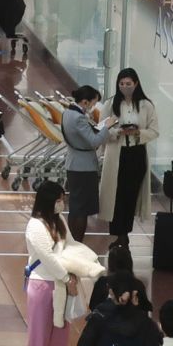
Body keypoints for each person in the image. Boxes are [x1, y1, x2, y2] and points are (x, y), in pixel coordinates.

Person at [24, 180, 87, 346]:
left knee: (61, 327)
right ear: (49, 201)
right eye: (59, 200)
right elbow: (47, 257)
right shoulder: (35, 225)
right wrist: (66, 278)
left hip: (61, 282)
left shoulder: (59, 220)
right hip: (42, 283)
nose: (62, 203)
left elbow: (69, 244)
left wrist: (77, 270)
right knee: (39, 332)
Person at [100, 68, 159, 246]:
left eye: (128, 84)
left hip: (136, 154)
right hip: (117, 153)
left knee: (130, 195)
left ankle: (124, 233)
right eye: (122, 84)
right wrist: (118, 132)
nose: (125, 87)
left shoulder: (146, 105)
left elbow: (154, 131)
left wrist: (137, 132)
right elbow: (102, 130)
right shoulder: (111, 104)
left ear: (136, 84)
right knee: (115, 195)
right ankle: (118, 233)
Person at [61, 85, 111, 241]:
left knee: (75, 208)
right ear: (85, 102)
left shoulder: (67, 113)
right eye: (93, 103)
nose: (93, 107)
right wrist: (106, 127)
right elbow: (94, 141)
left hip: (73, 163)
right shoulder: (79, 118)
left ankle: (72, 242)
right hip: (84, 167)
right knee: (82, 210)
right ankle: (78, 243)